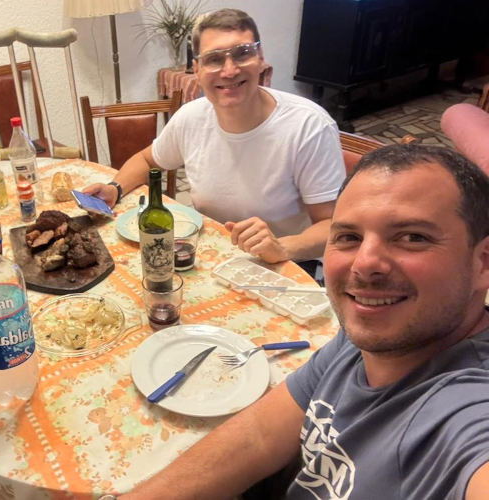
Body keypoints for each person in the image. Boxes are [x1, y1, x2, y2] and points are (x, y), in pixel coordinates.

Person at [113, 144, 489, 499]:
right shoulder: (362, 340)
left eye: (412, 237)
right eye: (349, 236)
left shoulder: (465, 412)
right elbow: (258, 436)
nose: (364, 263)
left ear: (483, 262)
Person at [84, 8, 345, 269]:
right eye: (214, 59)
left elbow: (334, 226)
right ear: (196, 70)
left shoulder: (308, 126)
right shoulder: (191, 117)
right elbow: (147, 159)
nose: (229, 70)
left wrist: (282, 246)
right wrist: (114, 188)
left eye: (242, 53)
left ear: (260, 58)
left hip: (289, 264)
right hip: (213, 258)